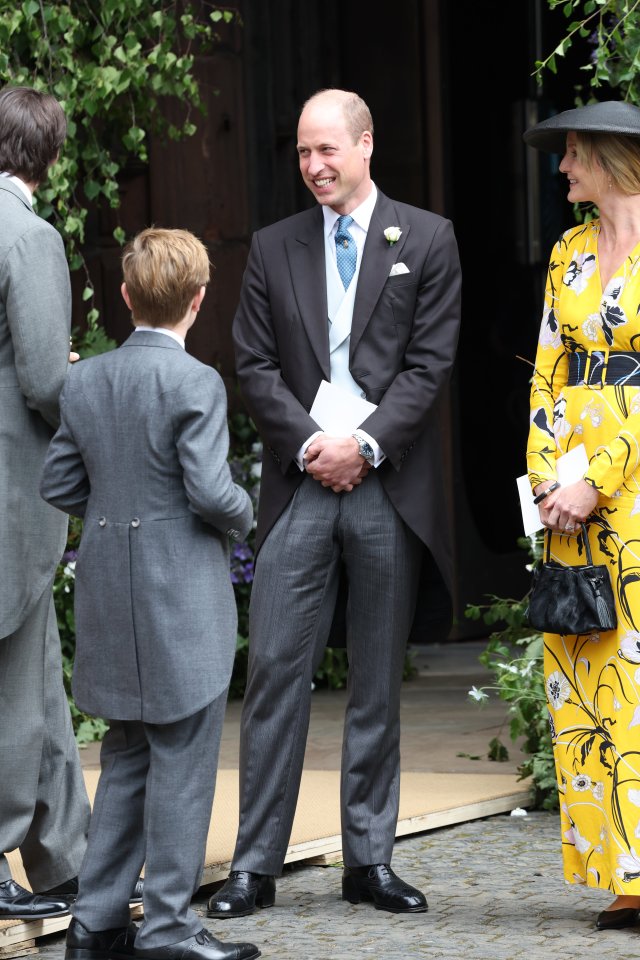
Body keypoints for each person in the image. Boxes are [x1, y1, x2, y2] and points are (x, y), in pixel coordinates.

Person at [207, 88, 461, 919]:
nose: (314, 167)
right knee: (277, 670)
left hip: (387, 484)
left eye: (328, 151)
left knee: (377, 680)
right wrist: (315, 445)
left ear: (366, 145)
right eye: (304, 154)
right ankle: (254, 865)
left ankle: (369, 861)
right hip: (300, 481)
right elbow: (252, 364)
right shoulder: (274, 246)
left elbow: (429, 365)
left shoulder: (426, 237)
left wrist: (368, 445)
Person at [40, 228, 259, 960]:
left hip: (110, 589)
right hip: (181, 596)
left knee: (127, 757)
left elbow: (59, 483)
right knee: (185, 762)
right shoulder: (196, 382)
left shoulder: (85, 380)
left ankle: (96, 921)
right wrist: (245, 512)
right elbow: (208, 490)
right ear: (198, 301)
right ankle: (167, 926)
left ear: (126, 296)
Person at [524, 100, 640, 932]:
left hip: (632, 491)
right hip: (568, 498)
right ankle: (623, 873)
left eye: (572, 154)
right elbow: (544, 374)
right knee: (582, 675)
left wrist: (601, 476)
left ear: (610, 159)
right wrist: (544, 478)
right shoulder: (567, 251)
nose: (563, 169)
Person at [0, 83, 93, 921]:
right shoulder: (27, 236)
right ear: (47, 155)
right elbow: (39, 381)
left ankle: (66, 861)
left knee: (36, 678)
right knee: (11, 681)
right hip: (8, 488)